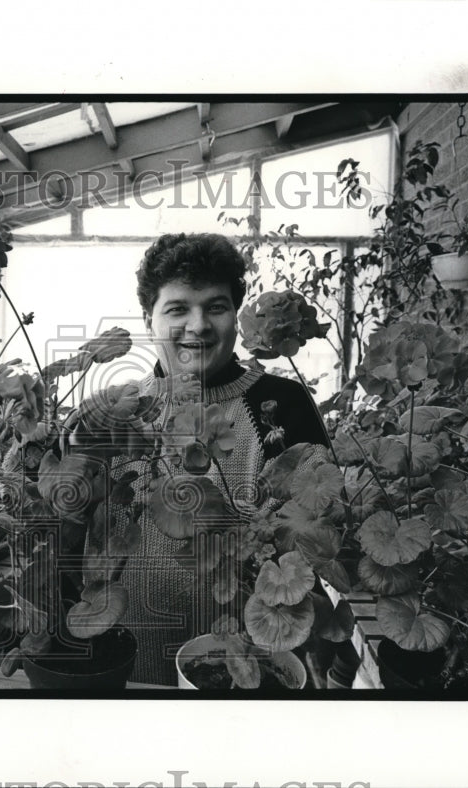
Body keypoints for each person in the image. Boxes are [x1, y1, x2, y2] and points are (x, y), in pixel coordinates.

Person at [105, 232, 330, 686]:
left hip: (255, 662)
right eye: (177, 309)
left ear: (236, 316)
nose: (199, 325)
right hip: (131, 660)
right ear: (149, 320)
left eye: (215, 306)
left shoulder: (283, 404)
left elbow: (320, 533)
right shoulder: (115, 413)